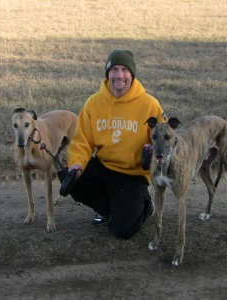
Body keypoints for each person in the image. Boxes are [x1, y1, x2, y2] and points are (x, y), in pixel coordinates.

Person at [58, 49, 166, 239]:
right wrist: (77, 163)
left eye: (125, 70)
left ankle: (145, 205)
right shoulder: (94, 103)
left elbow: (165, 139)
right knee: (70, 177)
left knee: (122, 231)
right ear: (108, 74)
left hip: (133, 174)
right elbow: (81, 141)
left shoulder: (150, 105)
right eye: (114, 69)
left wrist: (153, 151)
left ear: (132, 74)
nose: (119, 75)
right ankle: (108, 209)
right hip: (105, 166)